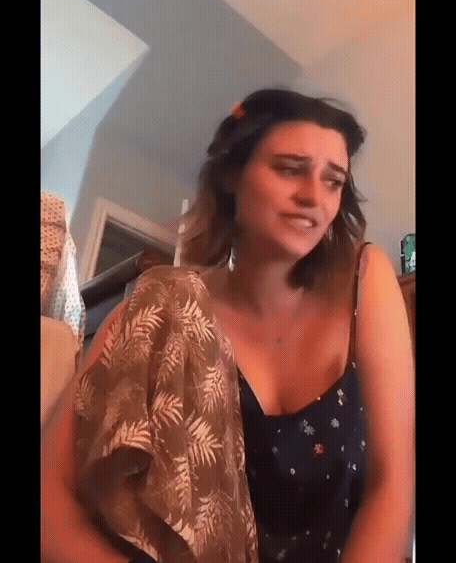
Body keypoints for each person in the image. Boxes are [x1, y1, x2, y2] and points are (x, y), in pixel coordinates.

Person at [41, 89, 415, 563]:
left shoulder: (364, 279)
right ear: (232, 174)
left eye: (333, 181)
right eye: (290, 169)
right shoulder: (165, 311)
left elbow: (392, 485)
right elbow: (48, 498)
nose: (313, 198)